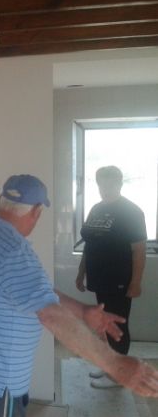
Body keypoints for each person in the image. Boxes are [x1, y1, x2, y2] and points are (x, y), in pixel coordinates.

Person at [0, 174, 158, 417]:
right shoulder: (14, 252)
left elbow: (35, 292)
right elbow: (52, 316)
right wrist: (116, 365)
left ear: (2, 200)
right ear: (36, 211)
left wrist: (83, 311)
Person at [75, 165, 147, 389]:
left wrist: (135, 283)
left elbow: (139, 250)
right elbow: (89, 244)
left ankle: (119, 375)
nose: (105, 188)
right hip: (99, 278)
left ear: (119, 184)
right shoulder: (97, 208)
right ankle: (110, 366)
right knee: (104, 323)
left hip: (119, 279)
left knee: (118, 326)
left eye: (110, 183)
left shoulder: (131, 212)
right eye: (101, 184)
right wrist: (81, 272)